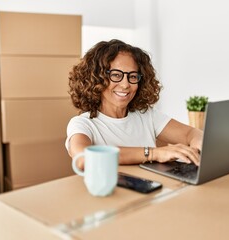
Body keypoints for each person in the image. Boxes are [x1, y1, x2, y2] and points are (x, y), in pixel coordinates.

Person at [66, 39, 203, 169]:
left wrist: (195, 149)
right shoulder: (82, 124)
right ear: (97, 79)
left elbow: (192, 133)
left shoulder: (147, 116)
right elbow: (83, 158)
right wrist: (153, 153)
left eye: (132, 76)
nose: (126, 85)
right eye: (116, 75)